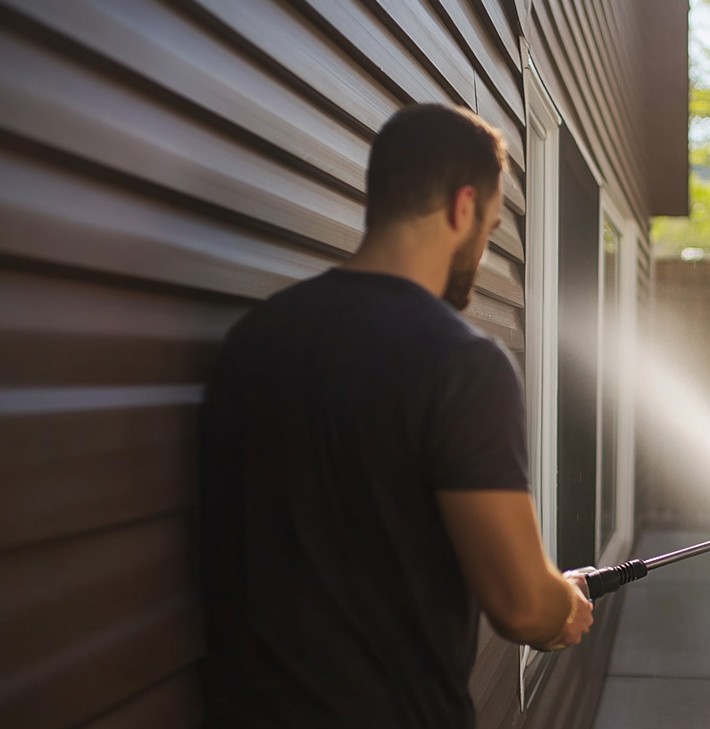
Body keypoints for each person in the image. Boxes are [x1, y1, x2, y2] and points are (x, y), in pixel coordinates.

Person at [198, 103, 593, 729]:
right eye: (489, 230)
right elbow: (522, 607)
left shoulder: (256, 336)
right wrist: (561, 605)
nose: (482, 252)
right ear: (463, 208)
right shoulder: (462, 363)